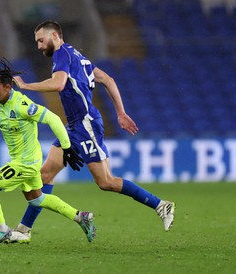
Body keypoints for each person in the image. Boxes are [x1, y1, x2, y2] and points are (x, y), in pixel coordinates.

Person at [10, 20, 175, 243]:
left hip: (85, 125)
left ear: (56, 36)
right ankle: (23, 230)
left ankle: (161, 205)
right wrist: (120, 112)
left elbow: (58, 84)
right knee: (45, 174)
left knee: (106, 182)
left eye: (41, 40)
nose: (39, 46)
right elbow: (108, 79)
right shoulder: (78, 56)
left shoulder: (62, 55)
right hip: (74, 126)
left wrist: (27, 86)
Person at [0, 60, 95, 247]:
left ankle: (1, 230)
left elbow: (54, 119)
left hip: (26, 163)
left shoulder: (22, 105)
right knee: (38, 200)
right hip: (24, 160)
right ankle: (81, 217)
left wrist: (66, 147)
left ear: (8, 87)